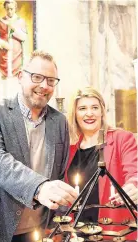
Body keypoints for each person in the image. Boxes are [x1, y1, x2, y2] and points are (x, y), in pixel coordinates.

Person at [0, 50, 78, 242]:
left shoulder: (59, 121)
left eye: (51, 80)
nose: (44, 86)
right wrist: (39, 187)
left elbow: (58, 173)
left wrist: (62, 221)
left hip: (38, 230)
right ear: (21, 76)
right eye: (37, 77)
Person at [64, 87, 137, 240]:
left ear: (102, 112)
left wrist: (134, 186)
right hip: (78, 232)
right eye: (83, 108)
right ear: (75, 114)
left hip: (112, 230)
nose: (89, 113)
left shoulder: (121, 139)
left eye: (95, 107)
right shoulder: (70, 149)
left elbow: (134, 171)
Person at [0, 0, 27, 78]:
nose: (9, 11)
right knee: (4, 83)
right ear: (5, 8)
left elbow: (24, 37)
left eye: (11, 9)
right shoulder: (1, 21)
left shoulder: (20, 21)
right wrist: (3, 44)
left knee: (16, 80)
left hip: (16, 57)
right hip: (4, 56)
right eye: (7, 9)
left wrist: (14, 29)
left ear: (15, 8)